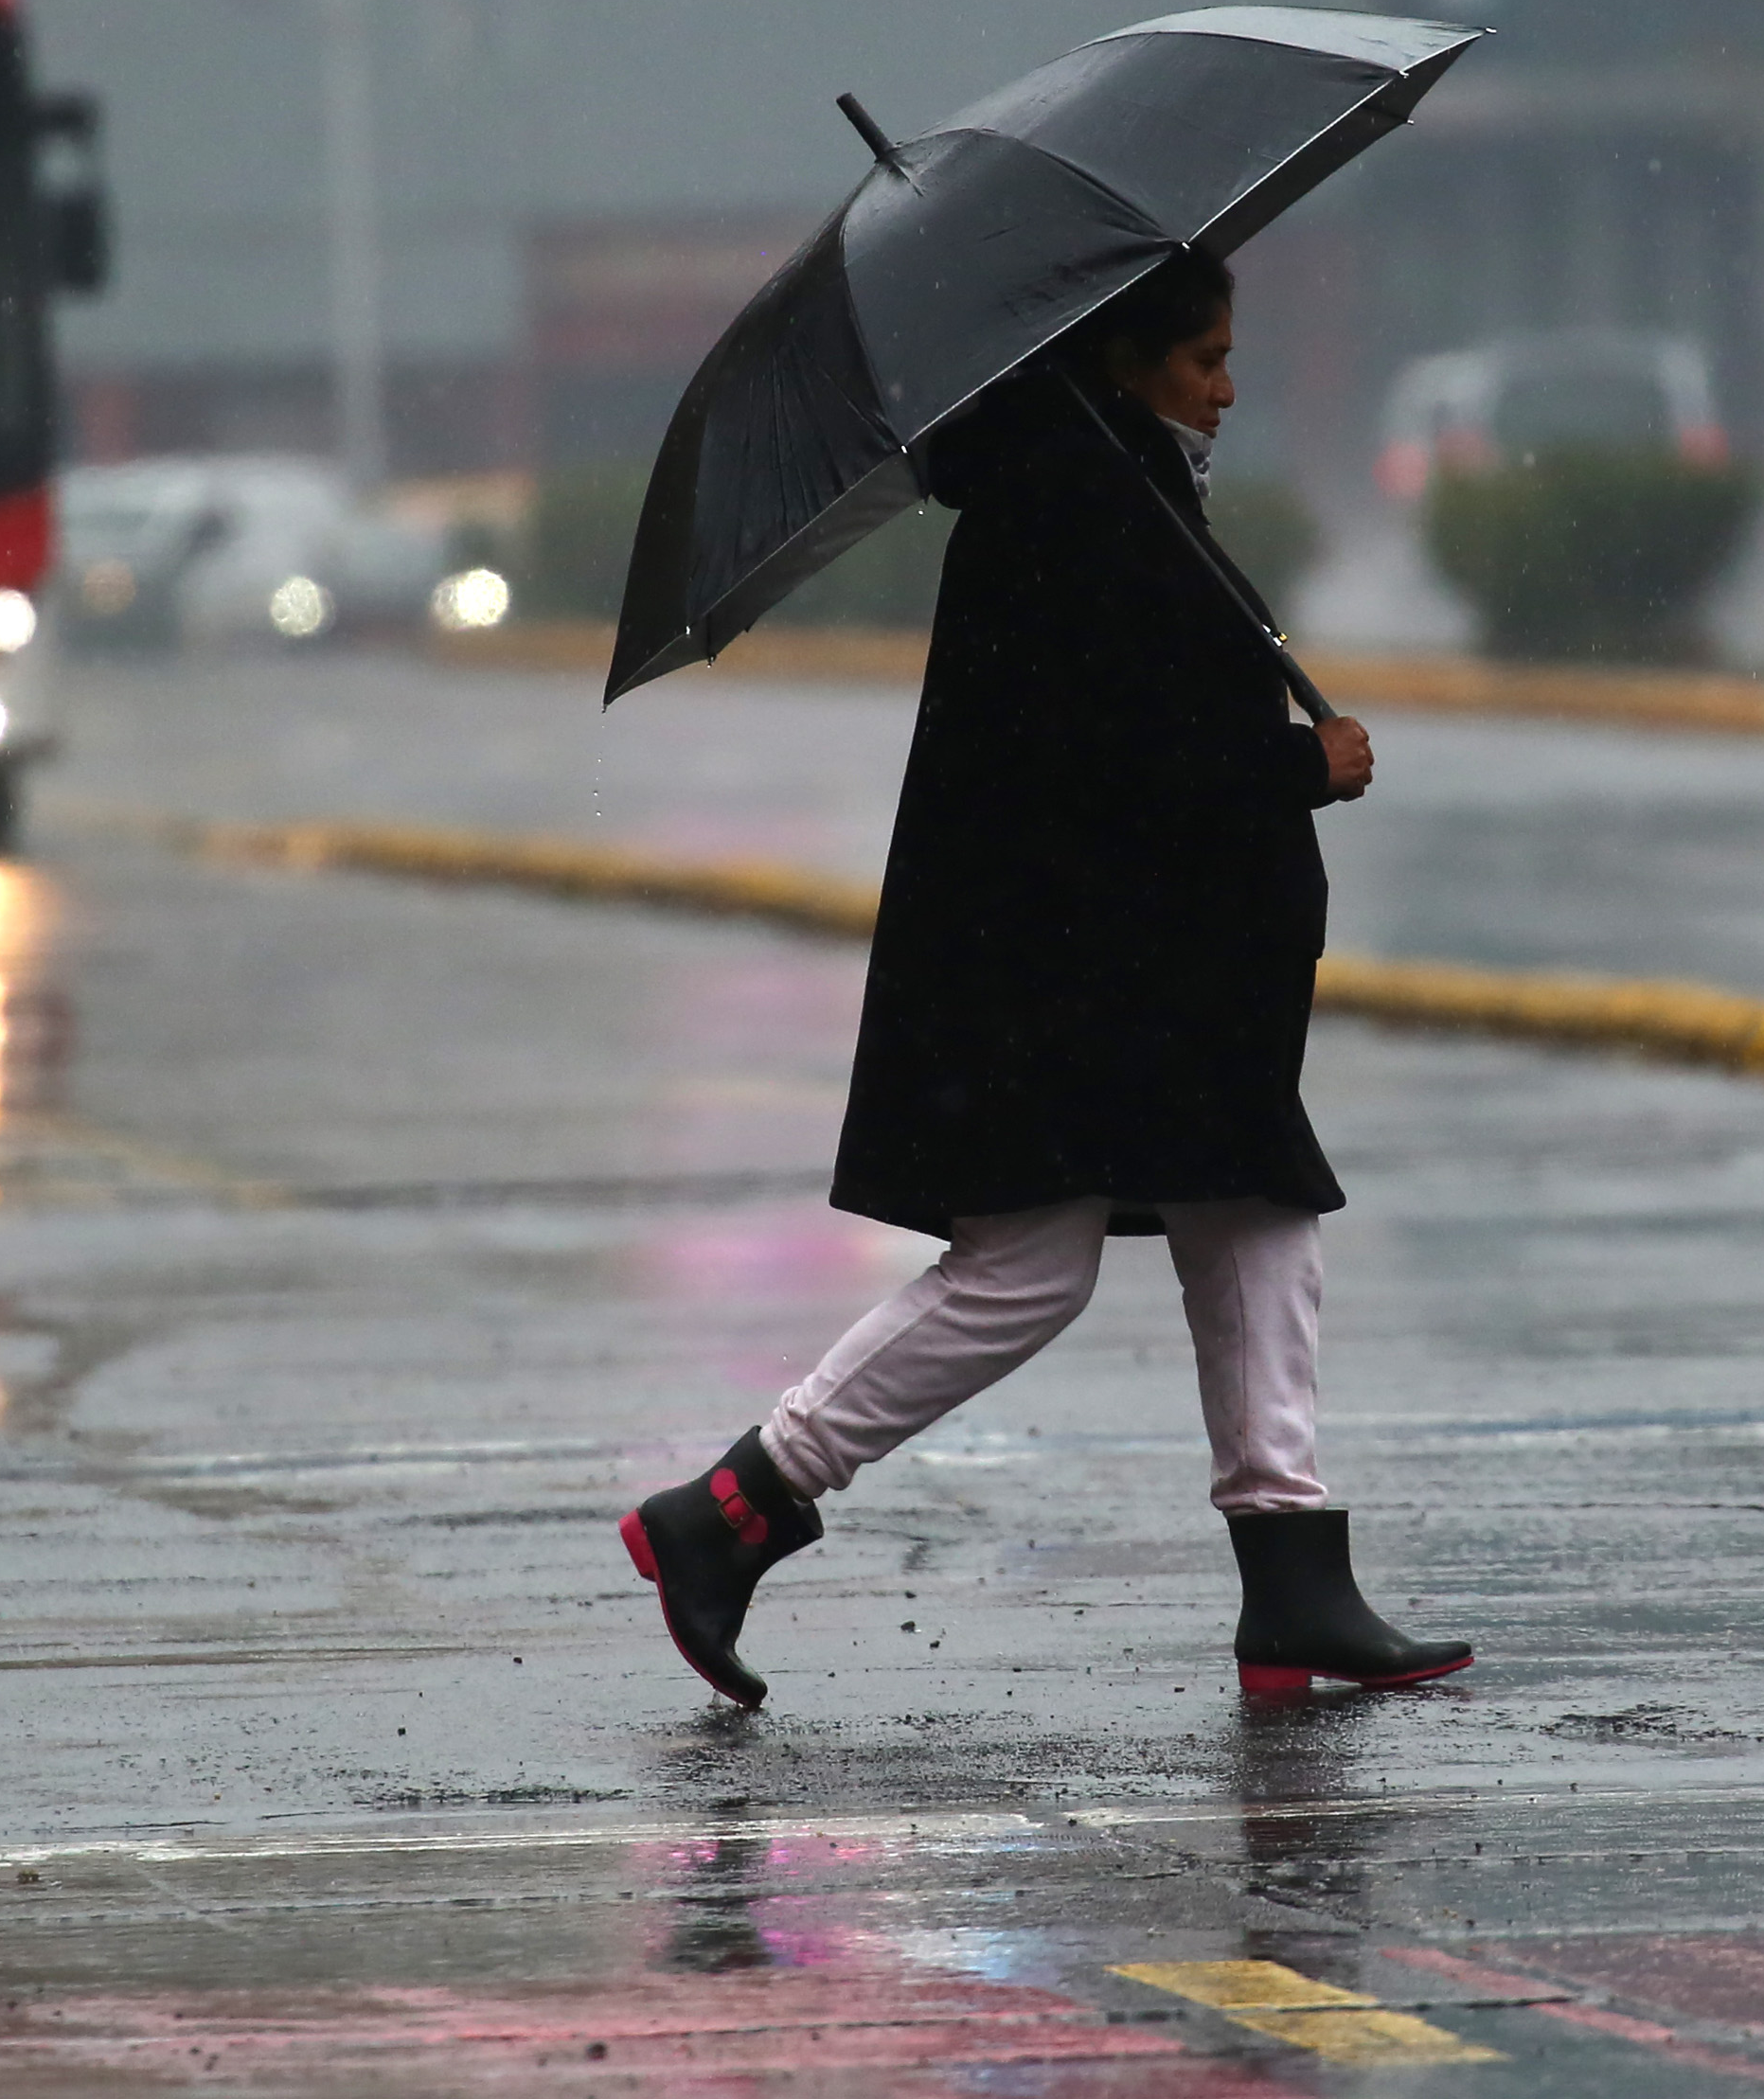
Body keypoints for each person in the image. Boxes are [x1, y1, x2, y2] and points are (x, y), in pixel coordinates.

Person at [622, 246, 1470, 1710]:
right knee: (1030, 1271)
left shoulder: (1109, 477)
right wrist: (1296, 765)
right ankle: (733, 1510)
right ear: (1119, 359)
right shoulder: (1069, 500)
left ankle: (1292, 1580)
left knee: (1255, 1222)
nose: (1225, 380)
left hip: (1136, 970)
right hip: (1072, 978)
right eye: (1201, 355)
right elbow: (1111, 757)